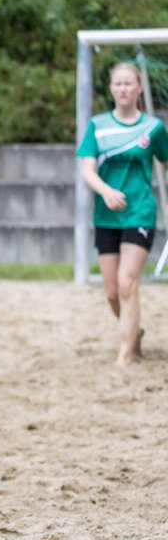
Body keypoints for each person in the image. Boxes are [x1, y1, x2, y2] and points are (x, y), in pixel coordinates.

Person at [78, 60, 168, 366]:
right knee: (112, 291)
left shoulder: (153, 128)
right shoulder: (97, 126)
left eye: (129, 83)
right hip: (106, 216)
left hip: (140, 212)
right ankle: (134, 332)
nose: (124, 89)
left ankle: (124, 355)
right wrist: (105, 191)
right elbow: (87, 170)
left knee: (128, 282)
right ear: (111, 88)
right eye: (118, 83)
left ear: (140, 88)